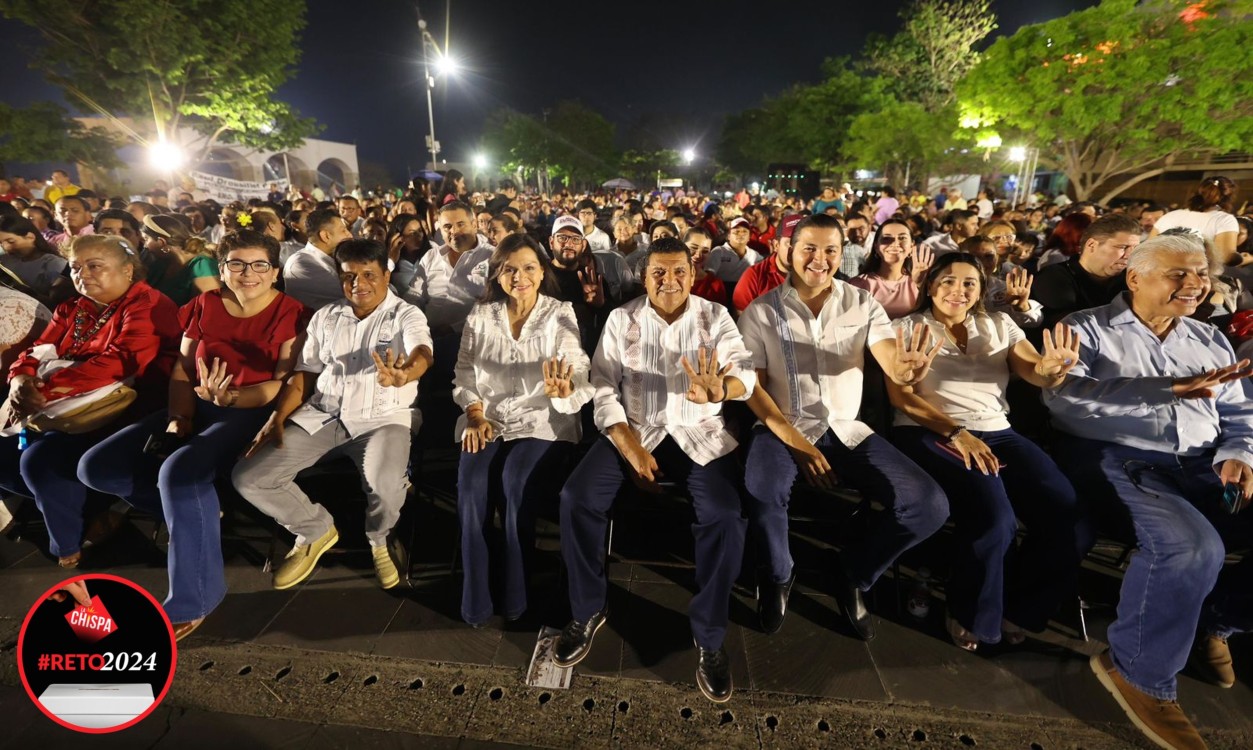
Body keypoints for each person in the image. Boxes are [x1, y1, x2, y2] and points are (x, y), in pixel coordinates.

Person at [1045, 233, 1253, 750]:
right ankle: (1139, 672)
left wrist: (1239, 452)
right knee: (1191, 548)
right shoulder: (1084, 329)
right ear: (1135, 277)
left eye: (1201, 273)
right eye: (1178, 273)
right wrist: (1164, 390)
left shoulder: (1208, 338)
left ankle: (1216, 620)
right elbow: (1067, 403)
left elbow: (1238, 411)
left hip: (1203, 464)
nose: (1195, 285)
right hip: (1122, 459)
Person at [78, 230, 307, 640]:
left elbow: (281, 383)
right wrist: (178, 418)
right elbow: (183, 369)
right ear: (222, 269)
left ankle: (194, 598)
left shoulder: (291, 313)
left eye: (258, 265)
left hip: (247, 413)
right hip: (193, 404)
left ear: (274, 272)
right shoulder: (205, 304)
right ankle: (199, 515)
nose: (247, 273)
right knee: (97, 467)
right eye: (236, 263)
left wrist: (233, 396)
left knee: (177, 475)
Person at [553, 236, 754, 703]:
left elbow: (745, 370)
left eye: (679, 271)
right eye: (658, 273)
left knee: (725, 515)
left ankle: (709, 635)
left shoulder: (714, 316)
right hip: (635, 429)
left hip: (699, 431)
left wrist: (721, 389)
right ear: (643, 276)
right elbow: (602, 383)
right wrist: (627, 443)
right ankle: (586, 608)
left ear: (694, 273)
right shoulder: (622, 318)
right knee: (576, 498)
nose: (669, 281)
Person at [738, 214, 949, 640]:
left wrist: (905, 370)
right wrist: (797, 444)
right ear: (789, 253)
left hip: (846, 429)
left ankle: (853, 572)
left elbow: (889, 356)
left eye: (831, 250)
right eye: (809, 249)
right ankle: (779, 575)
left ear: (843, 253)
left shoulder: (862, 303)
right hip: (782, 426)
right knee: (763, 492)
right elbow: (754, 392)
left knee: (929, 504)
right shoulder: (761, 311)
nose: (820, 259)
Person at [886, 253, 1093, 650]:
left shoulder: (998, 324)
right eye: (948, 281)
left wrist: (1052, 369)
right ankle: (969, 611)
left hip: (998, 431)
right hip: (930, 431)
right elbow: (904, 399)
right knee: (997, 519)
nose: (957, 291)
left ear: (982, 290)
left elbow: (1033, 367)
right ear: (930, 285)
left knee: (1072, 518)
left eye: (969, 283)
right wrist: (957, 433)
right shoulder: (907, 327)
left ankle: (1020, 607)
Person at [232, 239, 433, 591]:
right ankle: (314, 530)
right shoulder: (326, 317)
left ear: (387, 276)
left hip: (383, 419)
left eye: (369, 274)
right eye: (349, 276)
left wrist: (404, 373)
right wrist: (278, 416)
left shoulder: (406, 314)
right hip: (324, 416)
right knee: (249, 476)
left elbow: (422, 352)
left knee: (385, 488)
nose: (359, 284)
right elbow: (306, 372)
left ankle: (380, 539)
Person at [0, 235, 180, 568]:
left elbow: (122, 361)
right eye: (76, 267)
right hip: (70, 407)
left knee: (38, 461)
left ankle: (73, 536)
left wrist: (45, 390)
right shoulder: (72, 307)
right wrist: (21, 380)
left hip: (132, 406)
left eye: (95, 266)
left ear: (128, 270)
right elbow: (37, 350)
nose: (83, 275)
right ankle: (86, 519)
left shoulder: (148, 304)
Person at [453, 234, 592, 626]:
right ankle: (476, 600)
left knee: (515, 483)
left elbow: (576, 362)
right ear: (496, 274)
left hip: (544, 419)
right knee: (471, 486)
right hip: (488, 417)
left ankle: (517, 593)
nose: (520, 277)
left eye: (529, 267)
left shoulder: (559, 313)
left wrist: (566, 387)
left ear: (542, 271)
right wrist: (476, 414)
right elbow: (464, 372)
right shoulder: (480, 316)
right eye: (509, 269)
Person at [1031, 213, 1141, 331]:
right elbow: (1072, 329)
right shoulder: (1052, 279)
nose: (1130, 255)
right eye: (1123, 247)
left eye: (1135, 248)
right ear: (1092, 245)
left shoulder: (1132, 281)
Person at [849, 220, 935, 319]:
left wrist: (922, 285)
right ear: (876, 246)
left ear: (912, 246)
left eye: (902, 238)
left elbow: (933, 317)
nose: (895, 243)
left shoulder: (918, 282)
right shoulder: (859, 284)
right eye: (886, 238)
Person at [1152, 176, 1241, 266]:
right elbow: (1225, 257)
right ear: (1229, 197)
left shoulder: (1169, 216)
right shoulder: (1225, 220)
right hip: (1198, 275)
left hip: (1161, 271)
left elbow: (1148, 248)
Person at [141, 214, 220, 306]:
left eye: (146, 239)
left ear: (162, 241)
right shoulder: (161, 264)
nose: (145, 246)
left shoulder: (202, 266)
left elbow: (208, 310)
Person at [284, 207, 354, 311]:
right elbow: (355, 294)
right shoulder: (301, 263)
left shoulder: (338, 257)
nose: (350, 235)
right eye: (343, 230)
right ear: (325, 236)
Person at [732, 214, 802, 313]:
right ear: (776, 245)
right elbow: (742, 319)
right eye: (790, 243)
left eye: (805, 244)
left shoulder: (818, 275)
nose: (798, 250)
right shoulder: (754, 277)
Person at [0, 214, 74, 307]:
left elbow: (57, 303)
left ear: (30, 237)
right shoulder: (4, 260)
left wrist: (24, 292)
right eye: (1, 243)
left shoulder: (53, 264)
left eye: (11, 241)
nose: (5, 247)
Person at [704, 216, 761, 288]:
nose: (740, 234)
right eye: (736, 231)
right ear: (728, 236)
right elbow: (709, 277)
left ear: (749, 237)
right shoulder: (719, 252)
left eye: (744, 231)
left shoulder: (754, 255)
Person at [386, 213, 428, 294]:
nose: (419, 236)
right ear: (398, 238)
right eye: (412, 233)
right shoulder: (389, 259)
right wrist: (391, 260)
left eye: (420, 230)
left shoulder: (432, 250)